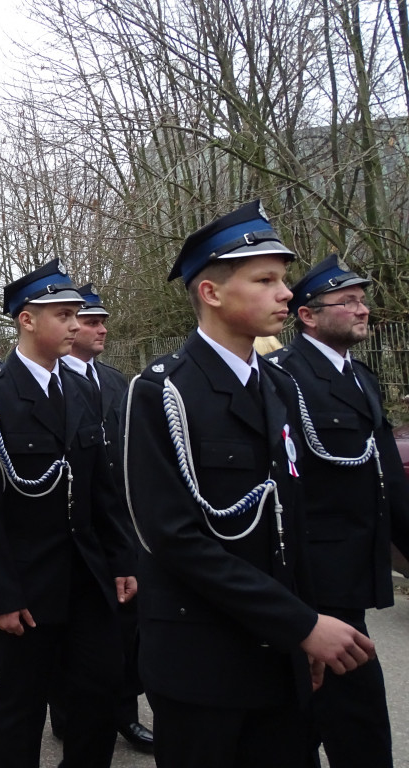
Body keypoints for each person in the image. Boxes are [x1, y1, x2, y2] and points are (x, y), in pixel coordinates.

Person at [123, 201, 376, 767]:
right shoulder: (162, 392)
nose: (285, 293)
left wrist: (301, 632)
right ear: (211, 293)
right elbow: (174, 538)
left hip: (277, 656)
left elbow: (292, 525)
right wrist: (303, 624)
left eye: (283, 279)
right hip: (202, 663)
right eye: (265, 279)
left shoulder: (278, 386)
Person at [0, 262, 136, 768]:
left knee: (97, 698)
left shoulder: (81, 390)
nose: (76, 325)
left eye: (77, 315)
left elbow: (103, 488)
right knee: (21, 707)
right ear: (27, 320)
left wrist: (122, 559)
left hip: (87, 581)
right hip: (26, 587)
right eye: (63, 315)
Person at [273, 254, 409, 768]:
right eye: (347, 301)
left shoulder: (360, 377)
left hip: (356, 570)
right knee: (352, 717)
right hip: (315, 580)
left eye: (362, 299)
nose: (362, 309)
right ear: (308, 316)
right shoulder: (284, 379)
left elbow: (388, 482)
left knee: (340, 715)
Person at [54, 283, 154, 753]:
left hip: (119, 522)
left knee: (126, 626)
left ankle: (124, 714)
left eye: (100, 321)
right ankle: (68, 713)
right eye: (90, 321)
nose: (100, 329)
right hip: (74, 525)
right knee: (75, 627)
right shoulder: (53, 383)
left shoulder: (118, 383)